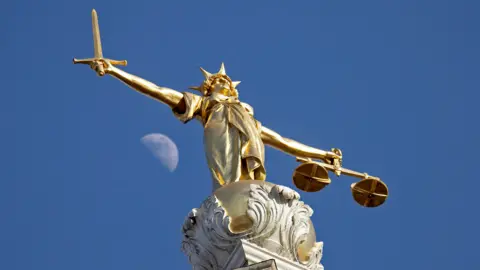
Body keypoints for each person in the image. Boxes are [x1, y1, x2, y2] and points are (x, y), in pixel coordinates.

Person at [88, 60, 342, 191]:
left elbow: (283, 142)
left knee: (250, 187)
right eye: (221, 81)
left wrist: (323, 155)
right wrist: (114, 71)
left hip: (247, 145)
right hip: (219, 141)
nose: (227, 83)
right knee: (227, 185)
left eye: (229, 82)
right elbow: (158, 91)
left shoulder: (248, 117)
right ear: (209, 87)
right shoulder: (204, 105)